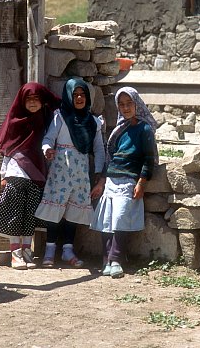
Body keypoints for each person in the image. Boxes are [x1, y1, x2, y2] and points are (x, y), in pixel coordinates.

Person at [35, 77, 106, 268]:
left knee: (73, 211)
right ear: (68, 96)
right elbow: (48, 139)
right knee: (54, 209)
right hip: (60, 169)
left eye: (83, 94)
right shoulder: (60, 116)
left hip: (81, 172)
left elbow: (99, 148)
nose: (80, 98)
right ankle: (49, 250)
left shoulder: (93, 122)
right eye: (75, 95)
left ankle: (67, 250)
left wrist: (99, 172)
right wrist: (48, 150)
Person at [90, 87, 158, 278]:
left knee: (120, 218)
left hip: (129, 181)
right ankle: (106, 261)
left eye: (129, 104)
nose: (125, 108)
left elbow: (148, 158)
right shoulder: (119, 130)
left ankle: (116, 259)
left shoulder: (144, 129)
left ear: (137, 104)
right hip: (111, 180)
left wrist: (142, 182)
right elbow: (110, 159)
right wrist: (101, 182)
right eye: (122, 104)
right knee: (106, 221)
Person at [0, 82, 61, 270]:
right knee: (14, 212)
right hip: (15, 172)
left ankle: (27, 251)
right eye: (28, 99)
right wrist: (3, 174)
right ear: (22, 101)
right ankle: (15, 253)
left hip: (37, 173)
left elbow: (57, 105)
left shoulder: (45, 118)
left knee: (31, 212)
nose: (32, 103)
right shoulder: (15, 120)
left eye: (36, 99)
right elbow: (7, 149)